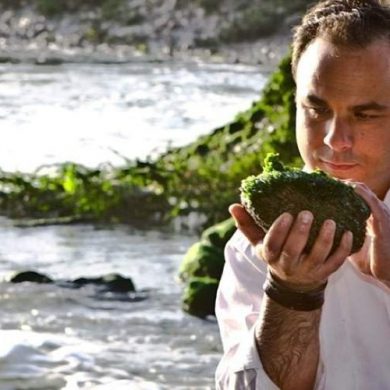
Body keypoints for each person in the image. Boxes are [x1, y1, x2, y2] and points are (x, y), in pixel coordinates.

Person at [215, 0, 390, 389]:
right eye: (316, 109)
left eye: (365, 114)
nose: (334, 140)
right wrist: (292, 292)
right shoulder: (257, 249)